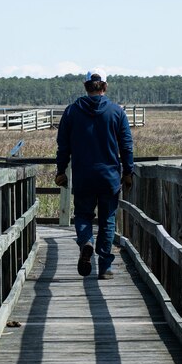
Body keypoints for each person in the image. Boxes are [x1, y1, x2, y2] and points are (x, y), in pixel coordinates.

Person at [55, 68, 134, 280]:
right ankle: (105, 266)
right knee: (108, 219)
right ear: (105, 87)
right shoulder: (117, 112)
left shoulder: (72, 111)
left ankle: (86, 242)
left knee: (82, 215)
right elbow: (126, 146)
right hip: (109, 177)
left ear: (85, 86)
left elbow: (63, 146)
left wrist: (61, 170)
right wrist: (128, 171)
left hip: (83, 176)